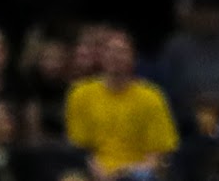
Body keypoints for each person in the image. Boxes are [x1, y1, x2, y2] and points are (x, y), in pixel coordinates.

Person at [68, 32, 177, 181]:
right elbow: (80, 149)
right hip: (93, 172)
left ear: (133, 58)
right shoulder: (80, 93)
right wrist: (101, 174)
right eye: (109, 51)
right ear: (101, 57)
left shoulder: (152, 96)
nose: (115, 56)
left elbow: (158, 155)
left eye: (121, 52)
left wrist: (127, 172)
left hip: (137, 172)